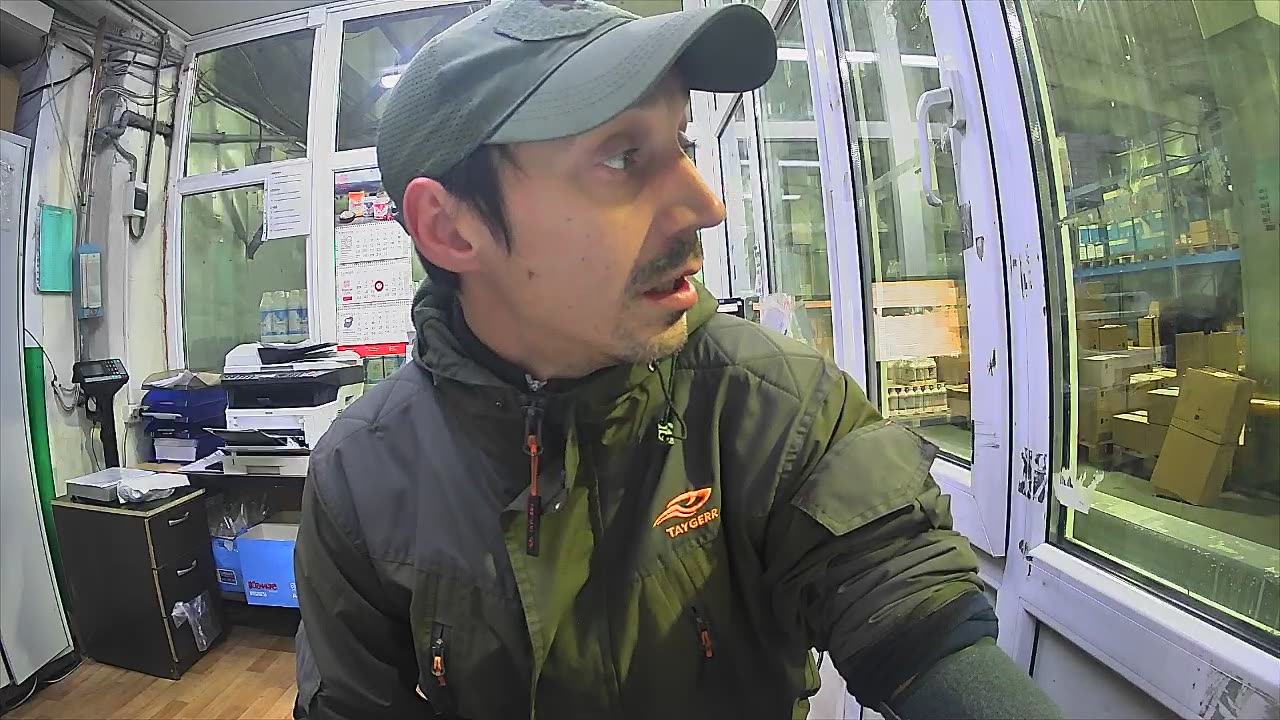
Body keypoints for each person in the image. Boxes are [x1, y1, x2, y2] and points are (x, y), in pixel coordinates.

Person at [293, 1, 1062, 719]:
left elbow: (911, 610)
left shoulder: (775, 406)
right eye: (623, 157)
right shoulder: (362, 475)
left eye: (683, 145)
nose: (706, 206)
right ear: (451, 228)